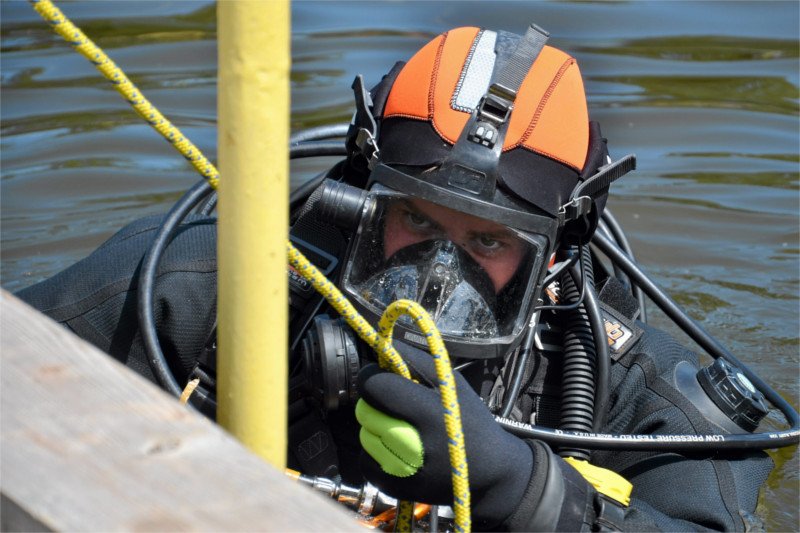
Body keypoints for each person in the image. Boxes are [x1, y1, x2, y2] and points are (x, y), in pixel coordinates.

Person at [18, 23, 776, 531]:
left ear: (556, 248)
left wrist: (522, 487)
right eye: (415, 220)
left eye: (486, 240)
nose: (437, 277)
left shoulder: (623, 387)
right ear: (358, 195)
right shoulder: (210, 287)